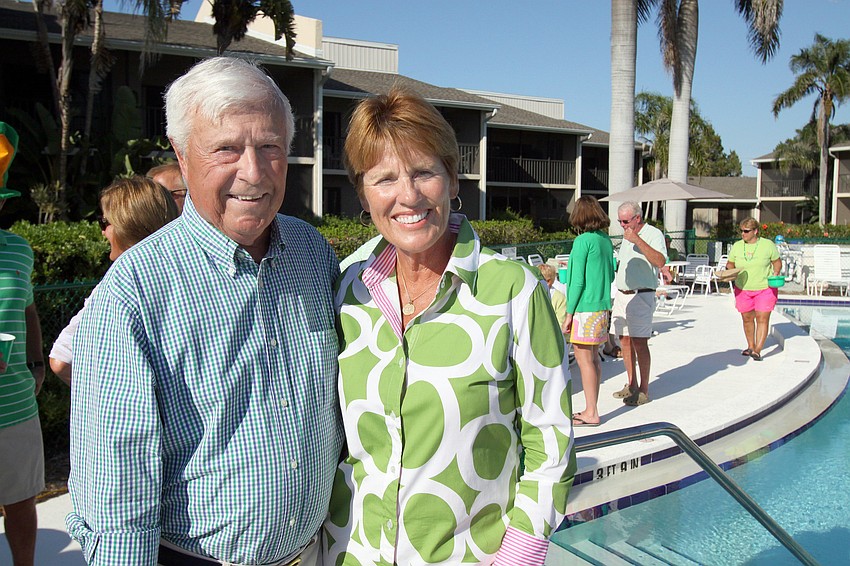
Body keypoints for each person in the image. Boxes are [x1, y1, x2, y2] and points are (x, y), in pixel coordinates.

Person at [66, 57, 342, 565]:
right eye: (227, 149)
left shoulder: (311, 251)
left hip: (314, 551)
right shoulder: (134, 290)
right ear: (181, 153)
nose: (253, 172)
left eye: (270, 147)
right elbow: (118, 480)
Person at [323, 88, 575, 566]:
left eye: (424, 172)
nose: (408, 196)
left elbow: (550, 439)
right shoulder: (347, 293)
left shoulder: (512, 292)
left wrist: (518, 555)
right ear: (362, 192)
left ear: (452, 178)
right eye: (384, 179)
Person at [48, 176, 179, 384]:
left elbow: (61, 360)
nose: (102, 231)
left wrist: (115, 396)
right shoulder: (193, 276)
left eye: (104, 222)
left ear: (127, 225)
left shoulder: (117, 288)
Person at [0, 121, 45, 566]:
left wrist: (35, 364)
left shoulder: (18, 250)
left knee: (20, 502)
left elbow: (29, 310)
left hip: (14, 402)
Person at [563, 196, 614, 427]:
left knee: (584, 361)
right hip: (602, 306)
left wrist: (569, 313)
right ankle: (592, 408)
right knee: (594, 358)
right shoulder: (605, 240)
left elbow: (577, 282)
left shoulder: (582, 242)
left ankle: (591, 411)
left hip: (585, 307)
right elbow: (610, 274)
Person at [610, 201, 667, 406]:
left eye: (626, 221)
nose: (623, 225)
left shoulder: (652, 234)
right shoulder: (627, 235)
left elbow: (660, 261)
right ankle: (631, 384)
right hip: (623, 294)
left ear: (637, 218)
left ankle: (644, 389)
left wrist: (637, 240)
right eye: (620, 221)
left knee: (640, 342)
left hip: (641, 294)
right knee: (624, 340)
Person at [726, 217, 781, 361]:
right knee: (747, 318)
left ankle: (757, 350)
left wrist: (775, 274)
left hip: (765, 288)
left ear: (755, 231)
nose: (743, 234)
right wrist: (730, 272)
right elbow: (730, 263)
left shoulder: (767, 245)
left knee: (762, 318)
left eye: (746, 231)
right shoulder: (737, 246)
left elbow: (777, 262)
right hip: (743, 288)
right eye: (741, 231)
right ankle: (750, 346)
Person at [538, 263, 567, 329]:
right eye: (543, 281)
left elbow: (561, 322)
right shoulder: (533, 295)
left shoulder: (560, 298)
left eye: (548, 281)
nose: (546, 284)